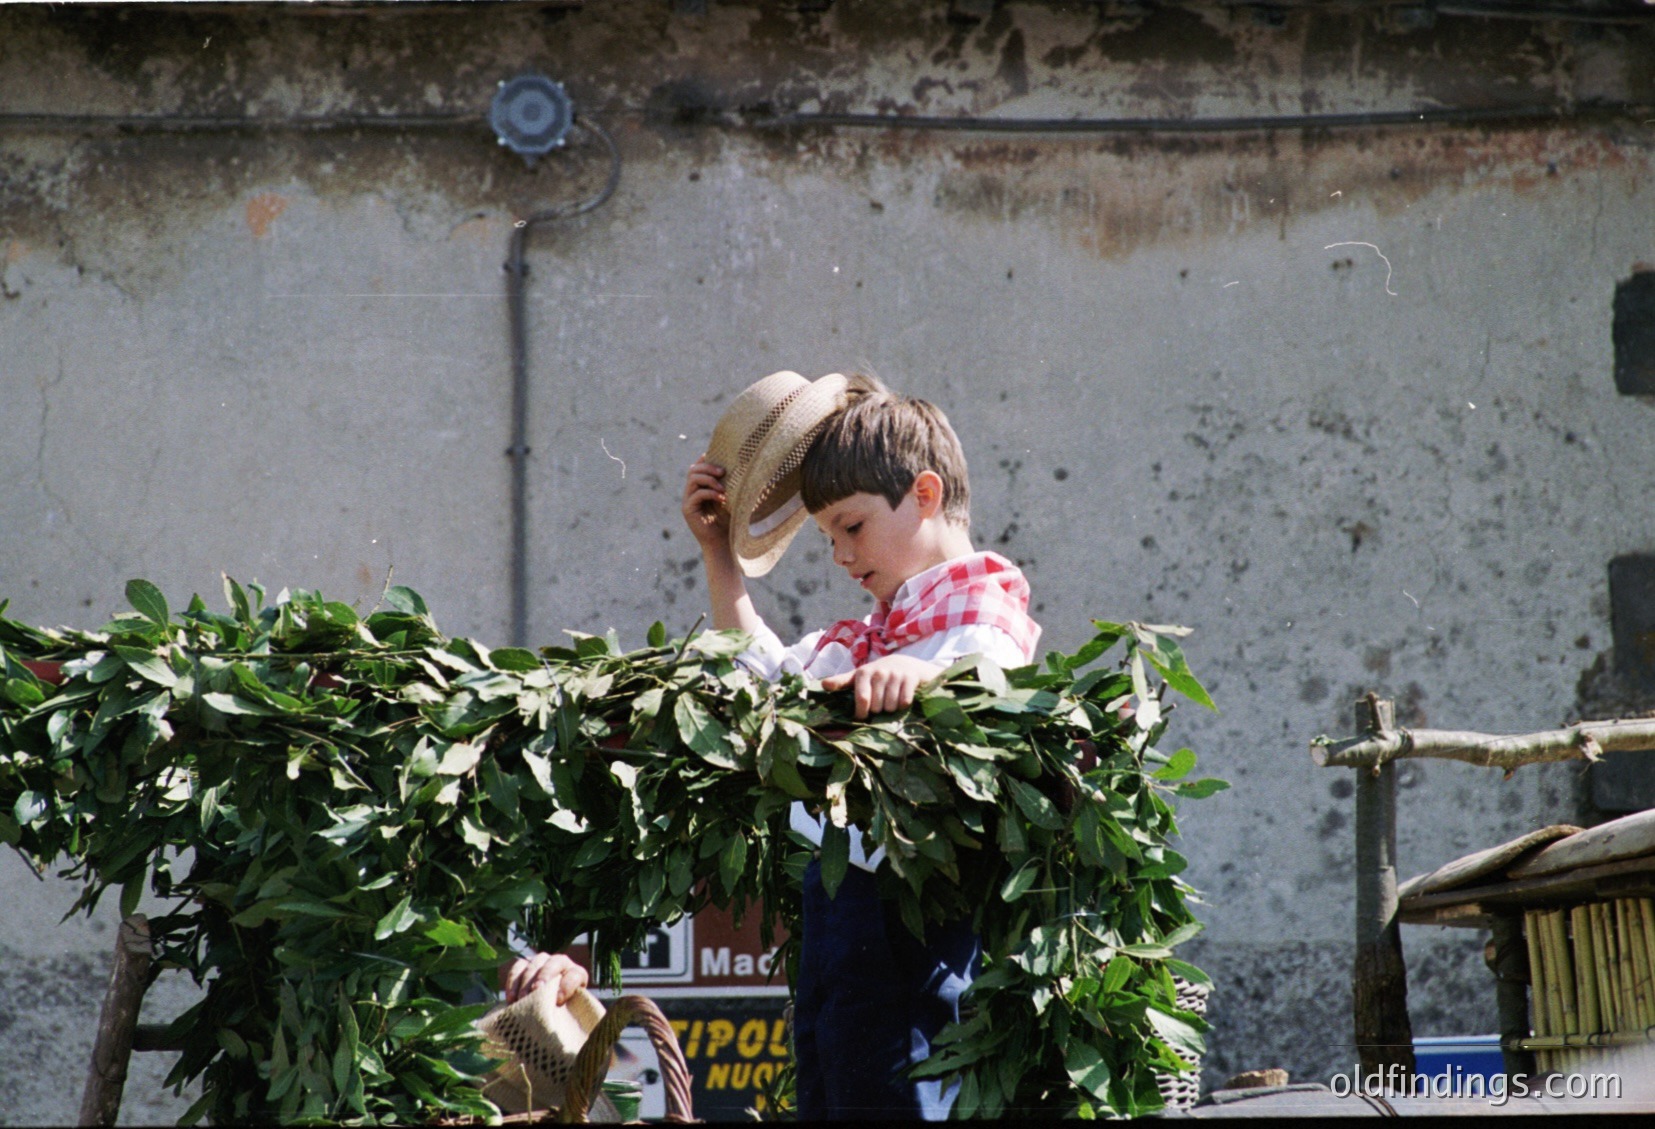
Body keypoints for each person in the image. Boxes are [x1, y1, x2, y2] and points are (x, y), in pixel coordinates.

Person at [680, 370, 1042, 1119]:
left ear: (926, 493)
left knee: (896, 1091)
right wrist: (720, 554)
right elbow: (772, 680)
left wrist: (923, 674)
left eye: (850, 525)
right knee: (831, 1083)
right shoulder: (876, 634)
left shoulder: (982, 607)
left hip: (917, 910)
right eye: (826, 537)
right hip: (839, 900)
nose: (841, 555)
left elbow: (990, 678)